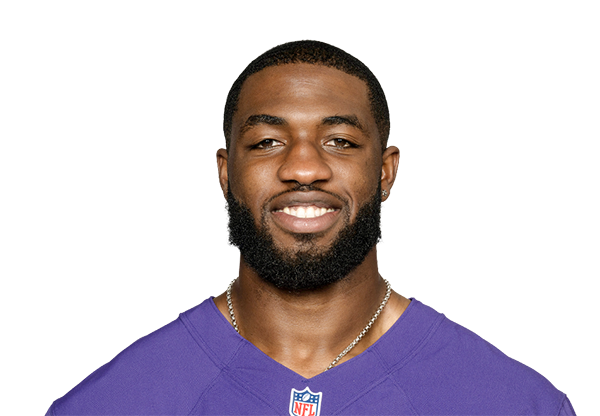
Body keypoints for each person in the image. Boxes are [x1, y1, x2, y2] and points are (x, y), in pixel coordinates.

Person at [47, 40, 575, 415]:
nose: (303, 168)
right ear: (226, 173)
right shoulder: (110, 404)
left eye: (340, 141)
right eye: (266, 142)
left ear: (385, 171)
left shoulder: (514, 403)